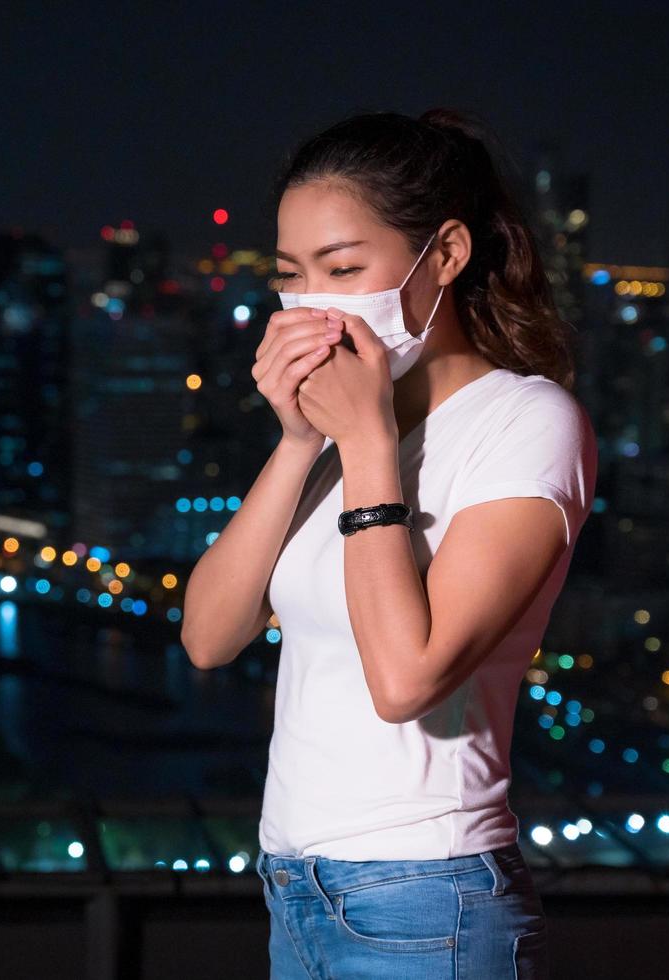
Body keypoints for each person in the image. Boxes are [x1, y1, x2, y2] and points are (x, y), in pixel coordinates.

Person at [180, 107, 597, 979]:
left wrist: (367, 447)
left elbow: (406, 678)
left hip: (427, 890)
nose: (311, 302)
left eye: (342, 268)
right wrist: (300, 440)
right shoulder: (340, 431)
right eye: (291, 275)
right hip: (294, 884)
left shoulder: (525, 423)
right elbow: (209, 637)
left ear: (444, 254)